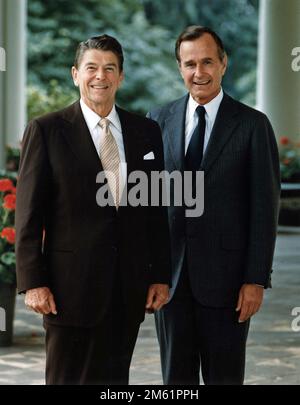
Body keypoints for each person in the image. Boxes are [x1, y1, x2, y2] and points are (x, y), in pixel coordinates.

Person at [16, 34, 171, 385]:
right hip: (67, 290)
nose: (100, 76)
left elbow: (154, 210)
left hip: (126, 290)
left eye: (109, 68)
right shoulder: (46, 130)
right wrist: (33, 282)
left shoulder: (146, 132)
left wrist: (160, 274)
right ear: (75, 74)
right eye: (91, 68)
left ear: (121, 77)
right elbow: (28, 215)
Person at [147, 26, 280, 385]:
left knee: (225, 378)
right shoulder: (157, 120)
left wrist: (255, 279)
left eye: (207, 61)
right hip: (171, 283)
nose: (199, 72)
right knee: (175, 381)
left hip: (228, 284)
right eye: (190, 63)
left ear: (224, 64)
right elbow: (148, 205)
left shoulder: (253, 125)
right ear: (179, 68)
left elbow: (264, 211)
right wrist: (149, 271)